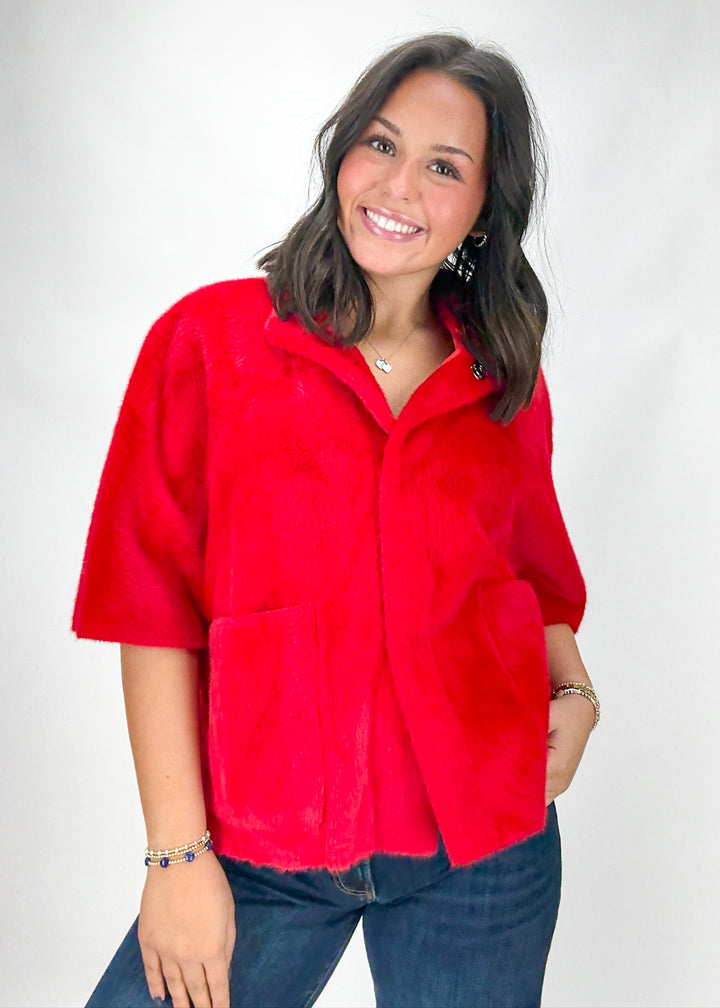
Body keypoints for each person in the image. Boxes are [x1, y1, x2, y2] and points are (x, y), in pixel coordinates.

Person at [72, 31, 599, 1008]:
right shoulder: (210, 344)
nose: (399, 187)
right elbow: (150, 611)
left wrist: (575, 693)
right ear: (342, 152)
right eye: (381, 144)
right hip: (259, 852)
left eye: (445, 167)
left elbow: (532, 580)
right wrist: (177, 856)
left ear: (484, 210)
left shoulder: (502, 380)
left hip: (482, 851)